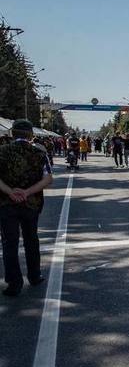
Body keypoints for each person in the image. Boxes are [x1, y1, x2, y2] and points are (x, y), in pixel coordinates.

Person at [0, 120, 53, 297]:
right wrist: (27, 192)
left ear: (12, 134)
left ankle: (14, 283)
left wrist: (10, 192)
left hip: (7, 204)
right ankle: (35, 276)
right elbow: (47, 179)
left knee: (9, 243)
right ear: (30, 135)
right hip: (31, 204)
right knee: (31, 239)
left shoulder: (2, 151)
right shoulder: (39, 152)